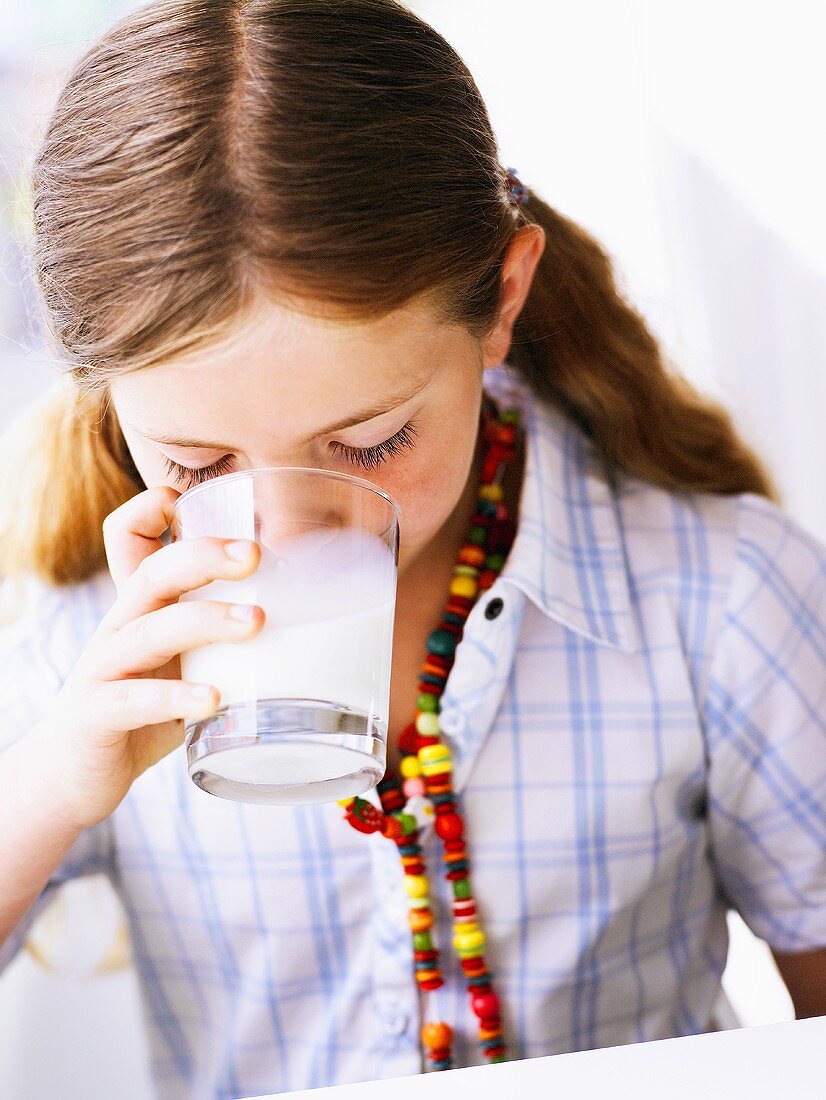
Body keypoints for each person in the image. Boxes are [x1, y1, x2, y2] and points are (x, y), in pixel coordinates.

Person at [1, 1, 824, 1096]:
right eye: (197, 463)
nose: (285, 528)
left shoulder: (718, 599)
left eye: (370, 438)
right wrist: (49, 789)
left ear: (504, 300)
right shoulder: (81, 644)